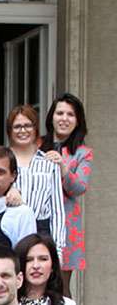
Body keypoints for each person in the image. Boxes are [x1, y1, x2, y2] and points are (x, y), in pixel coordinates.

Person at [40, 92, 90, 291]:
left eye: (70, 114)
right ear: (51, 117)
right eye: (60, 113)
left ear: (77, 122)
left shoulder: (83, 153)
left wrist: (63, 168)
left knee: (61, 285)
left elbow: (79, 188)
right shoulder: (36, 146)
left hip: (68, 223)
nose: (64, 118)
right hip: (38, 218)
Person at [6, 105, 66, 257]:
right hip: (9, 229)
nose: (23, 130)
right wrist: (8, 190)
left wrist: (58, 251)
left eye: (28, 125)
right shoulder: (2, 161)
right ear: (10, 130)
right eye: (17, 126)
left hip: (41, 231)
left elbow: (57, 210)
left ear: (35, 128)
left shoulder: (49, 163)